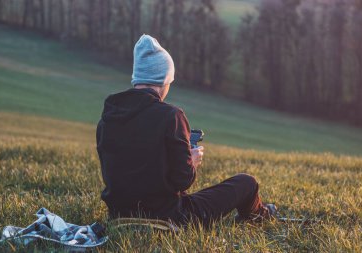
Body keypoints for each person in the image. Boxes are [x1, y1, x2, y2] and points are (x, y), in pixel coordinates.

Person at [96, 35, 276, 226]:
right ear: (163, 80)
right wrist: (192, 161)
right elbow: (182, 181)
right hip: (169, 217)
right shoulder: (171, 116)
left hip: (118, 216)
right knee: (246, 182)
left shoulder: (109, 118)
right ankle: (258, 215)